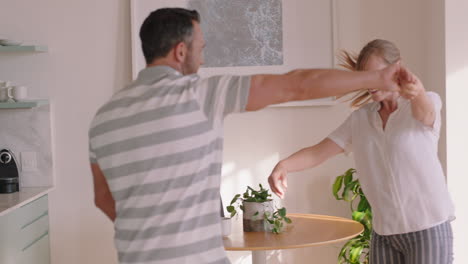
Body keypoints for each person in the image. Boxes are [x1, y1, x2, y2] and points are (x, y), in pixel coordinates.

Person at [88, 8, 401, 264]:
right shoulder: (199, 94)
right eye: (200, 49)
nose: (203, 59)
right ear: (180, 51)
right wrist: (377, 77)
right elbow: (297, 85)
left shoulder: (104, 117)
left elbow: (103, 198)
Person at [268, 39, 455, 264]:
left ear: (397, 67)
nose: (371, 84)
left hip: (428, 227)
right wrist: (283, 166)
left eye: (376, 74)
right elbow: (319, 152)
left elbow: (425, 112)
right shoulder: (360, 119)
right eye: (365, 77)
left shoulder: (423, 104)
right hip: (385, 232)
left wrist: (417, 91)